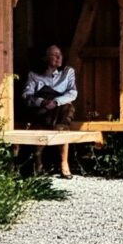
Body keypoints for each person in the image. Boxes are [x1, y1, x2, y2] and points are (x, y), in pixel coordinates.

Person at [21, 43, 80, 176]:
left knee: (66, 111)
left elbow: (72, 93)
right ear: (45, 58)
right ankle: (38, 163)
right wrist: (42, 102)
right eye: (54, 55)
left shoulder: (68, 72)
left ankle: (64, 163)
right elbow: (26, 94)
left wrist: (55, 102)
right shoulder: (34, 75)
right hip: (42, 109)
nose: (59, 58)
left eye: (60, 55)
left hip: (59, 108)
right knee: (38, 123)